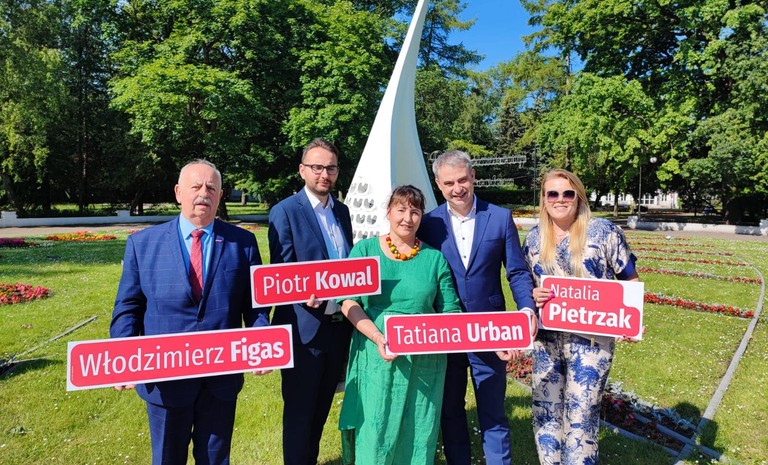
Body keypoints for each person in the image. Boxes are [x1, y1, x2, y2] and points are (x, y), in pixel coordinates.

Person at [110, 160, 269, 465]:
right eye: (196, 186)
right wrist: (123, 354)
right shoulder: (143, 244)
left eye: (211, 187)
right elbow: (128, 307)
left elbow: (254, 305)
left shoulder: (243, 243)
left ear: (220, 195)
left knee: (215, 459)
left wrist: (261, 342)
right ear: (178, 193)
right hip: (165, 381)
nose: (203, 193)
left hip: (220, 381)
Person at [418, 150, 536, 465]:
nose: (457, 188)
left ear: (473, 177)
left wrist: (526, 309)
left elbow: (517, 272)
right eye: (449, 183)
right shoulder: (428, 224)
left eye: (462, 180)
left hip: (490, 333)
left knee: (493, 412)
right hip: (447, 334)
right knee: (451, 412)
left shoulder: (499, 217)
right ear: (438, 184)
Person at [337, 185, 462, 465]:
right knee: (376, 427)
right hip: (376, 355)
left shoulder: (434, 259)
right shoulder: (365, 250)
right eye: (401, 209)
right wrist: (376, 336)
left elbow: (450, 309)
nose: (407, 218)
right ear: (388, 212)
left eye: (415, 211)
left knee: (418, 427)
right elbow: (348, 301)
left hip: (424, 359)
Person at [523, 168, 640, 465]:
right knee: (546, 410)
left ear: (578, 197)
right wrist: (533, 296)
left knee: (581, 414)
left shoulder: (604, 232)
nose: (560, 199)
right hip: (547, 341)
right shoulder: (534, 240)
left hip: (591, 342)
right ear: (544, 199)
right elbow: (525, 286)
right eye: (552, 193)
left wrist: (631, 320)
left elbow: (630, 278)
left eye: (567, 193)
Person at [268, 138, 354, 465]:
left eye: (330, 168)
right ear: (302, 170)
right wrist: (300, 291)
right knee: (300, 416)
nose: (324, 174)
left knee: (319, 413)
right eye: (317, 167)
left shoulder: (342, 212)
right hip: (303, 331)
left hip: (338, 328)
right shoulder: (285, 212)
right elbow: (280, 273)